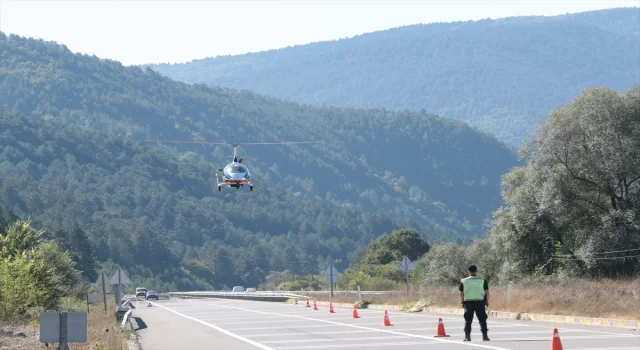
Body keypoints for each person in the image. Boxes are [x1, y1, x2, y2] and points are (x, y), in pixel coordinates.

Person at [459, 265, 489, 341]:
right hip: (480, 302)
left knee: (468, 320)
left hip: (468, 303)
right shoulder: (483, 280)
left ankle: (467, 337)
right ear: (476, 271)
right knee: (482, 320)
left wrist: (462, 301)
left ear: (468, 271)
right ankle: (485, 336)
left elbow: (461, 293)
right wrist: (487, 301)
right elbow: (487, 292)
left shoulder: (464, 281)